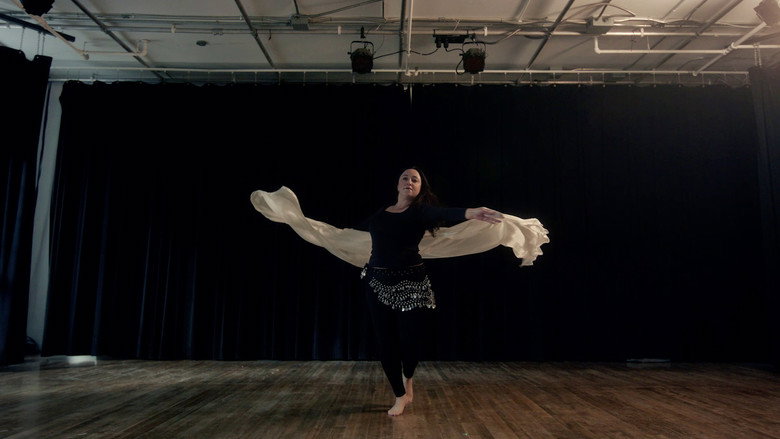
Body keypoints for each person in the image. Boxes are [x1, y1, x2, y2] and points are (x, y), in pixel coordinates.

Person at [358, 167, 502, 416]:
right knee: (385, 342)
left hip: (412, 284)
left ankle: (408, 376)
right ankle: (400, 395)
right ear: (397, 184)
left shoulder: (420, 212)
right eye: (405, 178)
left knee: (410, 341)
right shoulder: (380, 213)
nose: (409, 181)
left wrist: (471, 212)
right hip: (376, 281)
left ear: (420, 188)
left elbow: (444, 213)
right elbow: (354, 232)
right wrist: (321, 231)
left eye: (415, 180)